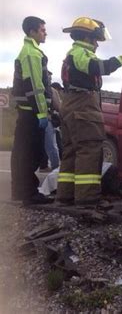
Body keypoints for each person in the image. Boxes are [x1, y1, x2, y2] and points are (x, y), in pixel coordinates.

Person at [56, 17, 122, 206]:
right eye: (95, 40)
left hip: (72, 105)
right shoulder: (80, 53)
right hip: (83, 106)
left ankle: (66, 194)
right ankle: (87, 198)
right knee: (89, 149)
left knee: (72, 151)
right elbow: (98, 67)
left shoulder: (73, 53)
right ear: (87, 38)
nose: (97, 44)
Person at [10, 16, 53, 204]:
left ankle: (22, 191)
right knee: (29, 153)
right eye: (42, 30)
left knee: (23, 152)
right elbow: (35, 86)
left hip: (27, 111)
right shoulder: (31, 53)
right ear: (32, 32)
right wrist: (42, 114)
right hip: (31, 113)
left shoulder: (30, 51)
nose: (45, 33)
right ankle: (28, 193)